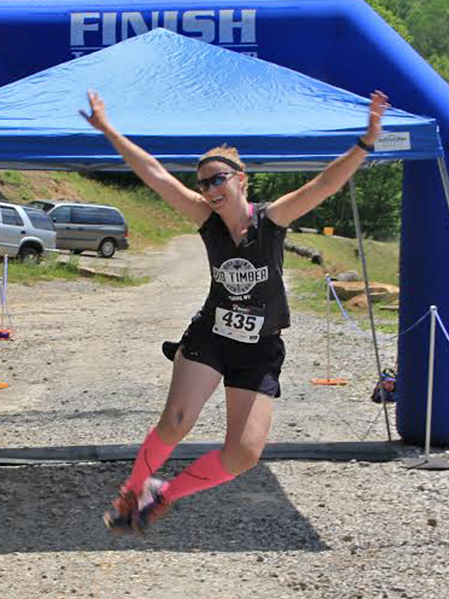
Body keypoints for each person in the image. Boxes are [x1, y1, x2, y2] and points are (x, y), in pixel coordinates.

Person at [79, 88, 390, 533]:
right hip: (212, 335)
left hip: (259, 346)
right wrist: (108, 128)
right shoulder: (205, 221)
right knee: (177, 421)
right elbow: (154, 173)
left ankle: (162, 494)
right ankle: (133, 490)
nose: (208, 189)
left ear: (241, 179)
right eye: (203, 182)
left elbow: (323, 185)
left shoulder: (272, 219)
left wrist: (366, 141)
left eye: (217, 179)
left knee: (244, 454)